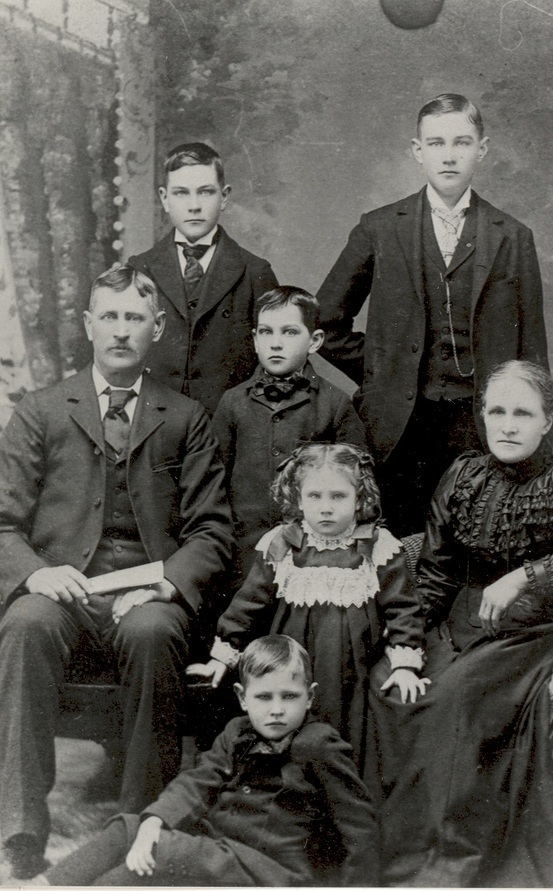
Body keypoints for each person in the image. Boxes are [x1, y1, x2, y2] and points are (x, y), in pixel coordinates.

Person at [0, 266, 233, 880]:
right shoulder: (41, 410)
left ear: (157, 328)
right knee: (24, 623)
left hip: (146, 593)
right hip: (63, 590)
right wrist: (33, 575)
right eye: (110, 316)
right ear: (88, 325)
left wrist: (166, 583)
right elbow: (1, 522)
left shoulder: (186, 417)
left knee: (154, 631)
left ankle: (137, 823)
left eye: (134, 318)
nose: (121, 330)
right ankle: (20, 827)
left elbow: (213, 530)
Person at [367, 360, 553, 887]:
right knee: (388, 685)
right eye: (497, 411)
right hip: (459, 624)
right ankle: (387, 848)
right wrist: (408, 641)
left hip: (528, 637)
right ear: (482, 417)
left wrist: (525, 575)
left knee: (455, 699)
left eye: (523, 413)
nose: (509, 425)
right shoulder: (464, 473)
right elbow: (436, 570)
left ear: (547, 421)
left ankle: (446, 856)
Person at [316, 93, 548, 536]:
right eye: (436, 143)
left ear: (481, 150)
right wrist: (382, 367)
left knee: (474, 546)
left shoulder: (513, 236)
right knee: (399, 551)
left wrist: (533, 437)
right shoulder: (380, 226)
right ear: (417, 151)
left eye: (461, 143)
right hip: (399, 428)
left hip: (482, 427)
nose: (449, 155)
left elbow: (533, 351)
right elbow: (324, 323)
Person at [38, 635, 378, 887]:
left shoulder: (319, 744)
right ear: (243, 699)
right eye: (264, 697)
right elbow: (197, 781)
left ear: (310, 697)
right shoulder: (237, 731)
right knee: (131, 827)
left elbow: (359, 826)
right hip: (218, 850)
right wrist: (155, 820)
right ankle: (46, 884)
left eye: (289, 696)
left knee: (157, 855)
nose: (276, 709)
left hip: (266, 870)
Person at [190, 443, 428, 774]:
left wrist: (404, 665)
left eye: (338, 497)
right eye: (315, 497)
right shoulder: (284, 543)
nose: (326, 508)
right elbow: (248, 603)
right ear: (298, 499)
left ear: (359, 498)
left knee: (347, 728)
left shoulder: (376, 546)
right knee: (289, 720)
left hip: (353, 668)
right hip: (293, 661)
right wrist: (222, 655)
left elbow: (404, 608)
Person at [212, 286, 366, 579]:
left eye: (290, 332)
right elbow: (213, 484)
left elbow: (358, 486)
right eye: (266, 332)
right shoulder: (232, 403)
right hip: (243, 554)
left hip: (313, 553)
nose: (276, 343)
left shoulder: (335, 404)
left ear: (315, 340)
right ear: (255, 340)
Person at [128, 142, 278, 414]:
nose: (194, 206)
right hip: (154, 425)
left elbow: (273, 362)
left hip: (226, 428)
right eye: (181, 193)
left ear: (225, 196)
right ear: (164, 198)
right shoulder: (140, 268)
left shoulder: (255, 271)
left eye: (206, 192)